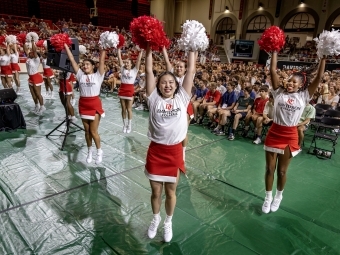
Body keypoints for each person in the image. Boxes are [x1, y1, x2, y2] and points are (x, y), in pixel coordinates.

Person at [262, 51, 326, 214]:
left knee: (282, 171)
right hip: (275, 132)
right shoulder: (278, 91)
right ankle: (267, 197)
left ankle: (278, 196)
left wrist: (324, 57)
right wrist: (275, 51)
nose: (290, 83)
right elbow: (273, 71)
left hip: (290, 135)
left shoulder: (304, 96)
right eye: (289, 80)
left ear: (300, 85)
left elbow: (318, 77)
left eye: (294, 82)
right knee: (270, 169)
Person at [144, 44, 196, 243]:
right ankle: (155, 219)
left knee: (170, 191)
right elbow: (148, 70)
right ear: (158, 86)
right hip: (156, 151)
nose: (167, 85)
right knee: (156, 191)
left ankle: (168, 222)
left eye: (171, 83)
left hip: (174, 152)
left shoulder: (182, 99)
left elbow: (191, 70)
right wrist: (147, 47)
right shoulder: (153, 99)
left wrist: (192, 46)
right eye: (163, 82)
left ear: (176, 85)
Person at [64, 43, 106, 164]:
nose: (85, 65)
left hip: (94, 105)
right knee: (86, 132)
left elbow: (102, 60)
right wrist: (65, 45)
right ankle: (90, 151)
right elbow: (72, 59)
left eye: (87, 64)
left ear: (93, 66)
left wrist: (103, 49)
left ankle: (99, 151)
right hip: (83, 105)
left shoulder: (98, 76)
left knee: (93, 132)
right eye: (84, 64)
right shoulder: (80, 75)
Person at [117, 48, 143, 133]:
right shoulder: (122, 69)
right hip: (122, 90)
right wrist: (118, 50)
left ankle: (129, 126)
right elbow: (120, 59)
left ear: (131, 64)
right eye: (125, 62)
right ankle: (124, 125)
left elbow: (138, 61)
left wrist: (141, 52)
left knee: (129, 109)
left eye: (128, 62)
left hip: (129, 91)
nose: (126, 64)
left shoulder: (134, 71)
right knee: (123, 109)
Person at [23, 40, 45, 114]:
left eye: (31, 53)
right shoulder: (29, 58)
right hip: (30, 78)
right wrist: (24, 41)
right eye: (30, 53)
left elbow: (34, 50)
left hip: (36, 77)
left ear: (35, 55)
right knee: (32, 93)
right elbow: (25, 49)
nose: (30, 53)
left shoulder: (36, 60)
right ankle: (36, 105)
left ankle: (42, 106)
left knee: (38, 93)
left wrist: (33, 42)